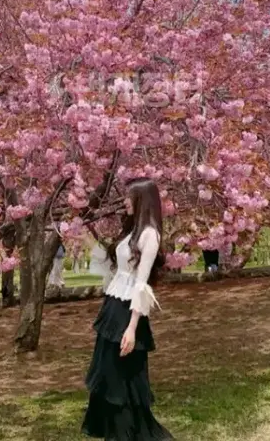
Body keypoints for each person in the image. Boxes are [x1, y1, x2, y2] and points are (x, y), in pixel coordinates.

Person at [83, 177, 173, 440]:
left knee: (122, 380)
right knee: (108, 375)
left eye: (128, 197)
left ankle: (130, 434)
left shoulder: (149, 235)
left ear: (141, 200)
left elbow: (141, 284)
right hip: (113, 307)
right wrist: (86, 240)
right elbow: (116, 269)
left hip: (127, 313)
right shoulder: (131, 231)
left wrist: (132, 328)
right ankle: (116, 433)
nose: (123, 203)